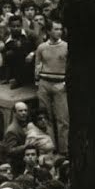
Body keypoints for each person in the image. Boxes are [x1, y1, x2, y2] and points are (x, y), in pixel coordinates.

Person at [32, 21, 69, 154]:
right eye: (56, 29)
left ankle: (64, 151)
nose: (59, 32)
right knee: (46, 118)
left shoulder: (66, 46)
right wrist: (38, 83)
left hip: (60, 84)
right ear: (48, 31)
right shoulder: (41, 47)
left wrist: (66, 83)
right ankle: (49, 149)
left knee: (62, 119)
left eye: (60, 29)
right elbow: (37, 65)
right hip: (44, 83)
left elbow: (70, 68)